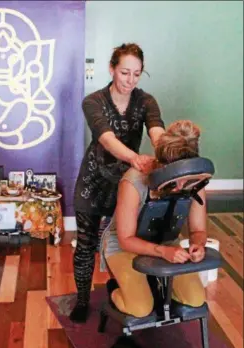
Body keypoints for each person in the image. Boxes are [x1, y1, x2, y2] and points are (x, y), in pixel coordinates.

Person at [71, 43, 165, 322]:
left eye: (137, 74)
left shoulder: (146, 101)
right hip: (93, 181)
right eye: (125, 72)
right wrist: (136, 159)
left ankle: (122, 285)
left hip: (127, 185)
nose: (130, 80)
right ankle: (82, 300)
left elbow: (157, 130)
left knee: (124, 241)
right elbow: (107, 139)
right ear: (112, 69)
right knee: (87, 243)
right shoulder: (93, 101)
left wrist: (165, 150)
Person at [101, 120, 206, 318]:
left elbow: (198, 231)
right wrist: (162, 252)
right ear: (161, 166)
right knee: (140, 308)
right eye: (174, 179)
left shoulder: (195, 183)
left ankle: (152, 283)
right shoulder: (134, 181)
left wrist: (198, 245)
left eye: (186, 179)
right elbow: (125, 239)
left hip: (166, 243)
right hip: (123, 247)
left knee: (195, 299)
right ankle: (114, 290)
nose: (179, 187)